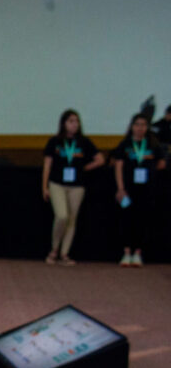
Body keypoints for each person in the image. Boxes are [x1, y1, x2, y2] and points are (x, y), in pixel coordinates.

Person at [41, 109, 104, 266]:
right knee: (62, 215)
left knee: (72, 219)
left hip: (77, 185)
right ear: (64, 123)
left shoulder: (84, 142)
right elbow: (47, 165)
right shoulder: (55, 141)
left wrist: (85, 168)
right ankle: (54, 249)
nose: (74, 124)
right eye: (71, 121)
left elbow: (100, 159)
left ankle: (65, 253)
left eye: (76, 121)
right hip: (57, 183)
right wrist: (44, 186)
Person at [111, 113, 167, 267]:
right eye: (137, 124)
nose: (140, 128)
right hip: (128, 189)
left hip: (147, 190)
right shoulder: (125, 144)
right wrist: (120, 188)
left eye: (143, 125)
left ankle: (138, 252)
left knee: (143, 220)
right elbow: (118, 166)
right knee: (126, 219)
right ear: (132, 126)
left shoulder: (153, 144)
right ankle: (126, 252)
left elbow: (161, 163)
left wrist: (150, 171)